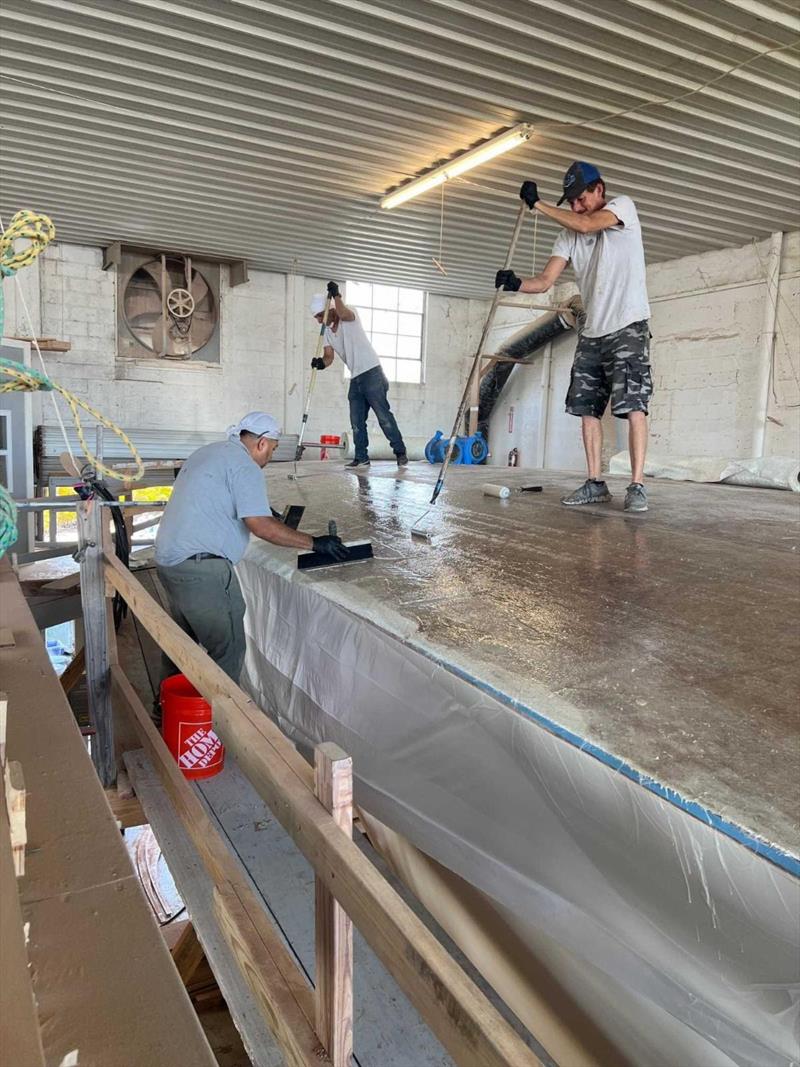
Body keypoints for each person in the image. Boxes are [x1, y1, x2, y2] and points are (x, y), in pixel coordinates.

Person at [495, 162, 652, 512]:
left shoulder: (622, 209)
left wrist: (537, 205)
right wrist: (516, 283)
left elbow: (586, 223)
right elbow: (545, 282)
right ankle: (595, 482)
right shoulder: (567, 235)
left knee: (633, 407)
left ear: (599, 190)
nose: (576, 207)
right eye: (571, 202)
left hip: (628, 325)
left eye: (581, 198)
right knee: (587, 410)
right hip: (593, 331)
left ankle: (637, 486)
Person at [154, 412, 347, 688]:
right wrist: (315, 543)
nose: (270, 457)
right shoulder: (246, 466)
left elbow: (213, 497)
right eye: (273, 449)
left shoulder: (209, 452)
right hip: (201, 570)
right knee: (227, 649)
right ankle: (219, 725)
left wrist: (263, 510)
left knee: (180, 643)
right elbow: (261, 527)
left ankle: (165, 710)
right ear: (262, 444)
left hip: (168, 560)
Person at [310, 281, 408, 469]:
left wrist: (337, 294)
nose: (318, 321)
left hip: (372, 373)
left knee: (383, 417)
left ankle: (400, 452)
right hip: (355, 378)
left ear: (330, 309)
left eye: (320, 315)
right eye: (316, 317)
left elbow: (343, 312)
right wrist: (321, 363)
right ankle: (361, 457)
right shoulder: (328, 333)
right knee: (356, 421)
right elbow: (329, 356)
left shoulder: (349, 317)